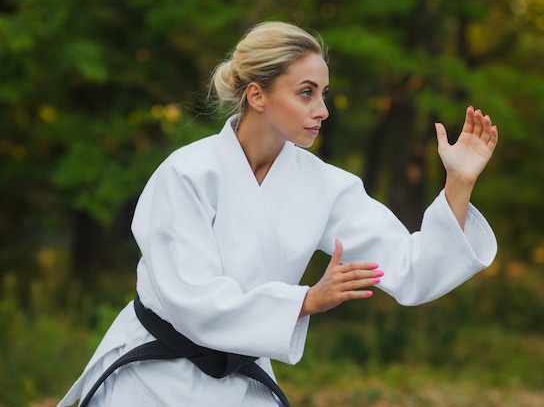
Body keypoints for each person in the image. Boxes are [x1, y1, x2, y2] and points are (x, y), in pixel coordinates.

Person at [58, 21, 498, 407]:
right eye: (306, 93)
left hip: (242, 386)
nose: (322, 110)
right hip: (152, 383)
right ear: (257, 95)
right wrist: (305, 300)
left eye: (323, 94)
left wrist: (458, 182)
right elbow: (192, 300)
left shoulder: (326, 186)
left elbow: (411, 270)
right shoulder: (187, 173)